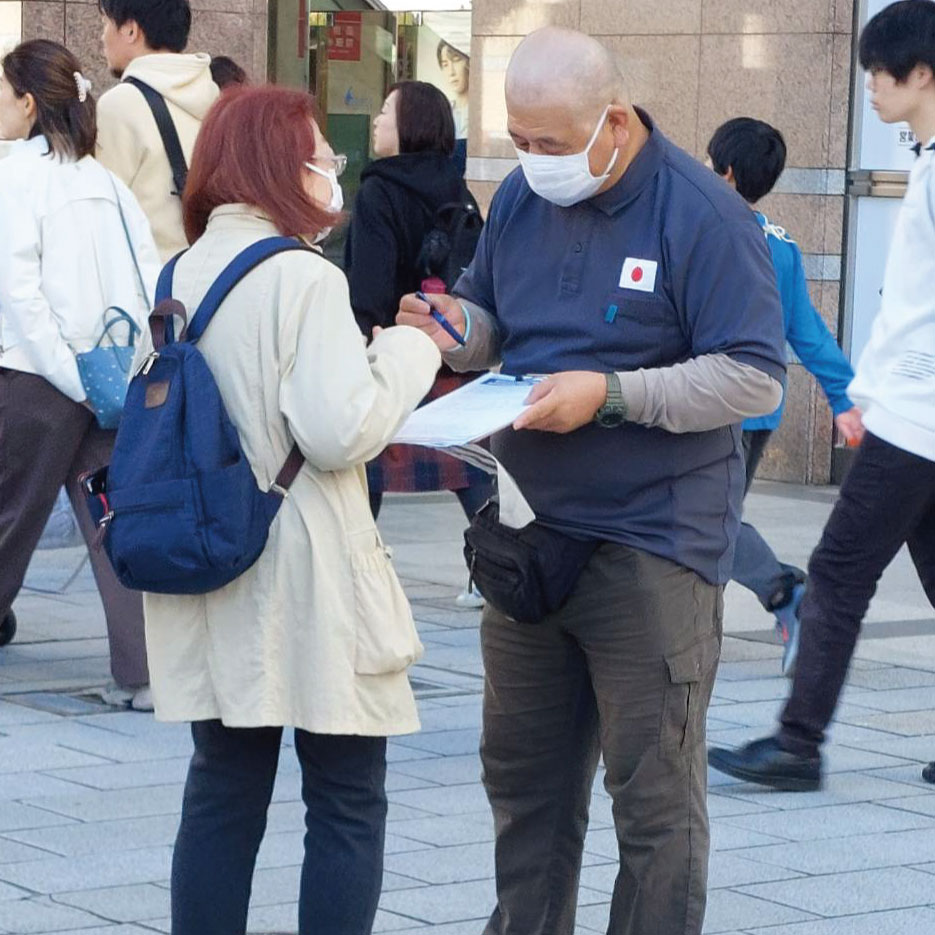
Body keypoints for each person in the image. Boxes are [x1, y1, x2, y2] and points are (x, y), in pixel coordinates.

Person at [398, 27, 786, 935]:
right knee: (523, 783)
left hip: (652, 544)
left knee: (653, 803)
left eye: (548, 142)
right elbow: (492, 315)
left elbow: (753, 376)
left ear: (613, 122)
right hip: (528, 536)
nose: (532, 160)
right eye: (517, 140)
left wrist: (610, 395)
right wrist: (456, 328)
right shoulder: (522, 196)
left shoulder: (704, 215)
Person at [139, 85, 441, 935]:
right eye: (320, 157)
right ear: (280, 167)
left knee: (222, 789)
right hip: (307, 566)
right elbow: (339, 430)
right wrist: (408, 354)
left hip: (212, 552)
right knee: (346, 798)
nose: (330, 171)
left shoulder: (178, 271)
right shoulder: (304, 277)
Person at [708, 0, 935, 793]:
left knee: (836, 570)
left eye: (879, 72)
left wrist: (877, 397)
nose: (869, 85)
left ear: (921, 74)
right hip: (911, 410)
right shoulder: (924, 161)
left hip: (916, 415)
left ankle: (797, 743)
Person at [0, 40, 159, 703]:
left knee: (9, 516)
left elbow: (20, 295)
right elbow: (148, 278)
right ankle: (143, 672)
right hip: (112, 378)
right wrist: (115, 375)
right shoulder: (108, 185)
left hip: (39, 380)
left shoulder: (15, 177)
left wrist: (68, 375)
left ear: (28, 103)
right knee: (110, 522)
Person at [705, 117, 864, 676]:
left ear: (726, 172)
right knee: (715, 517)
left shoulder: (708, 234)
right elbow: (808, 332)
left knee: (707, 519)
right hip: (760, 407)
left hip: (712, 404)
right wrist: (844, 398)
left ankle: (787, 595)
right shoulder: (782, 243)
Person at [345, 80, 491, 608]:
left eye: (386, 111)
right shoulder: (458, 188)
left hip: (395, 347)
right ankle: (496, 567)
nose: (377, 120)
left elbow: (369, 282)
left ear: (410, 125)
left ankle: (352, 573)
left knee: (366, 466)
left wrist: (362, 338)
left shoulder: (379, 189)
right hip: (452, 349)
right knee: (469, 467)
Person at [96, 0, 219, 260]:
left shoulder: (120, 104)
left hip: (148, 278)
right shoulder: (214, 96)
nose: (102, 37)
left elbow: (101, 213)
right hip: (206, 273)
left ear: (130, 30)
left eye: (105, 23)